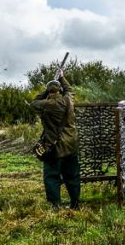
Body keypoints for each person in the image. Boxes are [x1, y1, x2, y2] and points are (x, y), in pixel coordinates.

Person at [30, 69, 80, 209]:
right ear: (59, 90)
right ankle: (75, 204)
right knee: (72, 177)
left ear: (49, 91)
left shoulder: (44, 105)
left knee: (51, 177)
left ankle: (55, 206)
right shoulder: (68, 100)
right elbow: (69, 90)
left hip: (53, 147)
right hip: (71, 146)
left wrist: (46, 92)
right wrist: (62, 78)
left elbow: (34, 103)